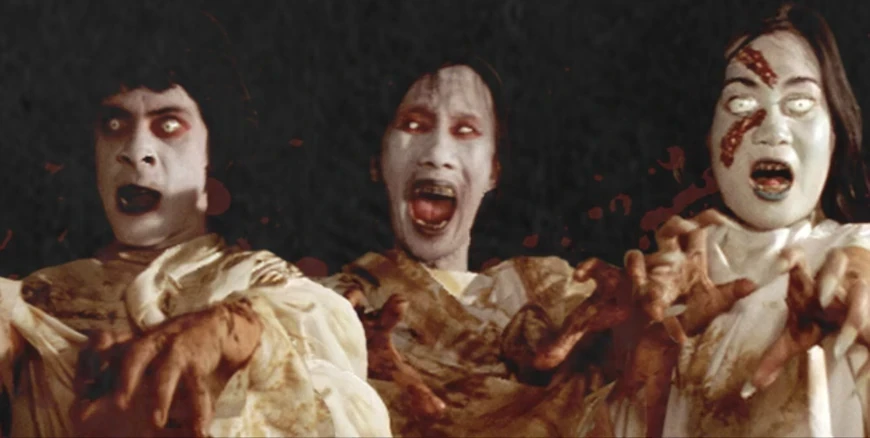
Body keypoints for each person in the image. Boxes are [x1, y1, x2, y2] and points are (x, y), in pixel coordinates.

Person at [0, 4, 390, 436]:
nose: (135, 151)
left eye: (168, 126)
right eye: (114, 124)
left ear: (212, 152)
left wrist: (233, 333)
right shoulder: (33, 301)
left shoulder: (261, 283)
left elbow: (335, 368)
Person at [543, 3, 870, 436]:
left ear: (834, 134)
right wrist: (623, 353)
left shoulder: (854, 256)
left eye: (800, 103)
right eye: (741, 101)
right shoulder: (659, 287)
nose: (773, 129)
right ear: (708, 136)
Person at [319, 56, 620, 436]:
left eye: (465, 131)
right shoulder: (326, 306)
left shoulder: (552, 291)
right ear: (378, 163)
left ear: (493, 170)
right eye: (414, 125)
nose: (437, 154)